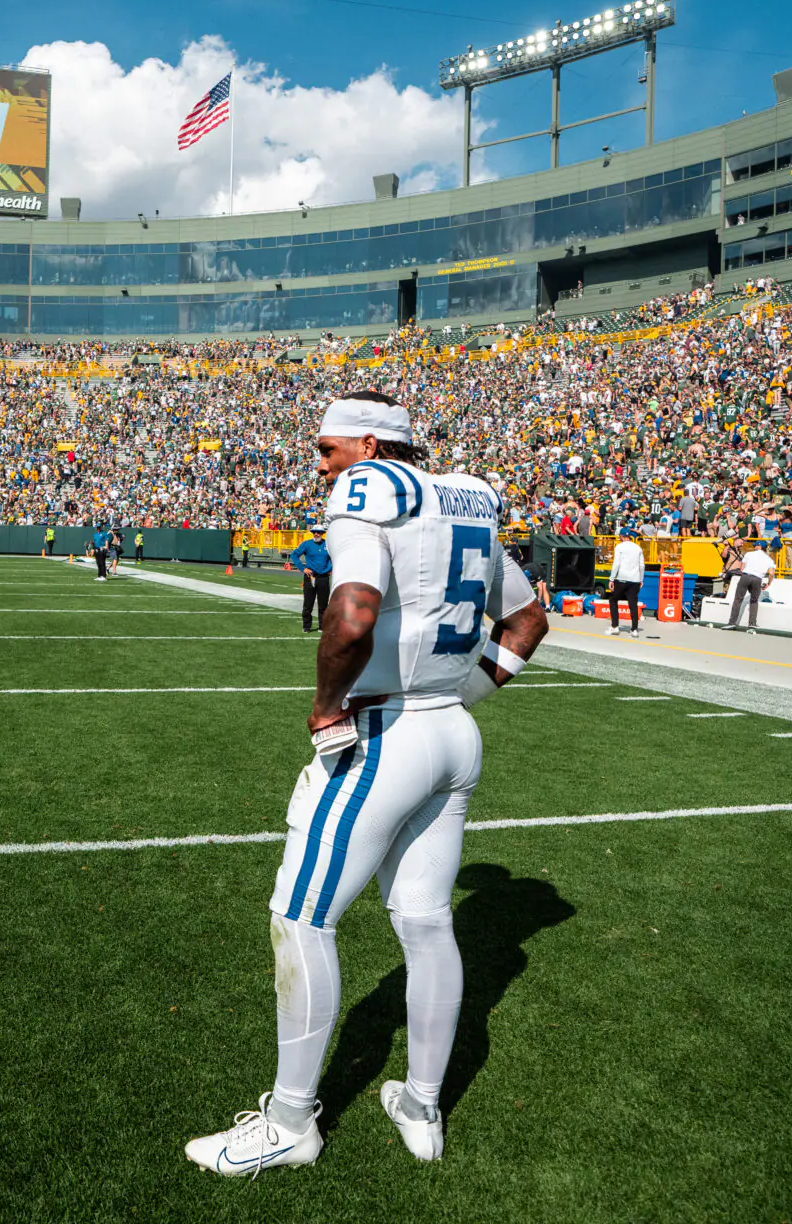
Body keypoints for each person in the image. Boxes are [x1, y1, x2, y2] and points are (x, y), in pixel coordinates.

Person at [186, 391, 549, 1175]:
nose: (319, 465)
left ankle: (289, 1124)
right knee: (425, 921)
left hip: (387, 732)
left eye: (328, 448)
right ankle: (421, 1107)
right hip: (453, 732)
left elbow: (351, 615)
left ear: (374, 446)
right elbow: (528, 621)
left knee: (301, 916)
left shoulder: (367, 490)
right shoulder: (469, 498)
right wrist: (464, 696)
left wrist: (325, 708)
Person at [289, 525, 332, 634]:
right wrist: (303, 569)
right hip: (310, 577)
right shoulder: (307, 544)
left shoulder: (328, 545)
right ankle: (306, 626)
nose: (316, 534)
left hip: (323, 578)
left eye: (319, 532)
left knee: (323, 604)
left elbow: (334, 557)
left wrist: (330, 568)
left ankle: (322, 626)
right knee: (308, 603)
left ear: (322, 533)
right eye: (314, 532)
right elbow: (294, 555)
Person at [728, 540, 776, 631]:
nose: (754, 547)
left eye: (755, 546)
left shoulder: (749, 554)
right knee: (754, 601)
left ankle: (732, 622)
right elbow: (771, 573)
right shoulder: (769, 559)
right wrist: (769, 583)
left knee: (738, 599)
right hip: (758, 579)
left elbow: (742, 569)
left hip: (745, 577)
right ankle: (752, 623)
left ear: (759, 547)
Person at [607, 530, 645, 636]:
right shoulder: (638, 548)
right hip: (635, 579)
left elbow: (616, 564)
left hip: (622, 578)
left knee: (613, 600)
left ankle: (615, 626)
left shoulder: (619, 547)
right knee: (633, 604)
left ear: (621, 536)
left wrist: (611, 579)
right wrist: (641, 579)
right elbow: (642, 566)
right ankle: (634, 629)